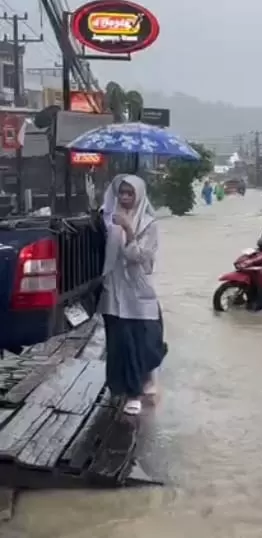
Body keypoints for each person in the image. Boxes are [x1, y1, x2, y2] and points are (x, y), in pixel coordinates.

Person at [99, 174, 166, 416]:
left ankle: (144, 377)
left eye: (130, 193)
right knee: (120, 342)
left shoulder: (149, 223)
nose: (125, 197)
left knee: (145, 341)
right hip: (114, 289)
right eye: (122, 193)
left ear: (139, 195)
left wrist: (128, 227)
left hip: (138, 289)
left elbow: (138, 256)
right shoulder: (107, 218)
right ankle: (130, 390)